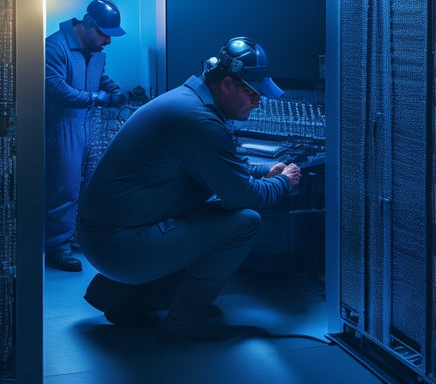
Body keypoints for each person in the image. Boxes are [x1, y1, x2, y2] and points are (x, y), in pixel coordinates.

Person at [78, 36, 301, 342]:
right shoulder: (198, 120)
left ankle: (122, 298)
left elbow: (221, 168)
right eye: (252, 92)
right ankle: (184, 322)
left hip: (105, 237)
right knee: (243, 222)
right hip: (120, 246)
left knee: (210, 213)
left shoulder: (187, 102)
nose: (257, 101)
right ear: (226, 84)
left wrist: (265, 171)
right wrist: (283, 181)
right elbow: (245, 196)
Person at [45, 0, 128, 272]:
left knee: (87, 186)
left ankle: (77, 238)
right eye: (104, 34)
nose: (108, 41)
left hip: (87, 124)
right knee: (64, 189)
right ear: (88, 24)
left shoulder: (96, 50)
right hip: (61, 126)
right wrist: (99, 98)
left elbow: (101, 76)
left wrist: (116, 91)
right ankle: (57, 248)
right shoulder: (54, 47)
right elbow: (56, 89)